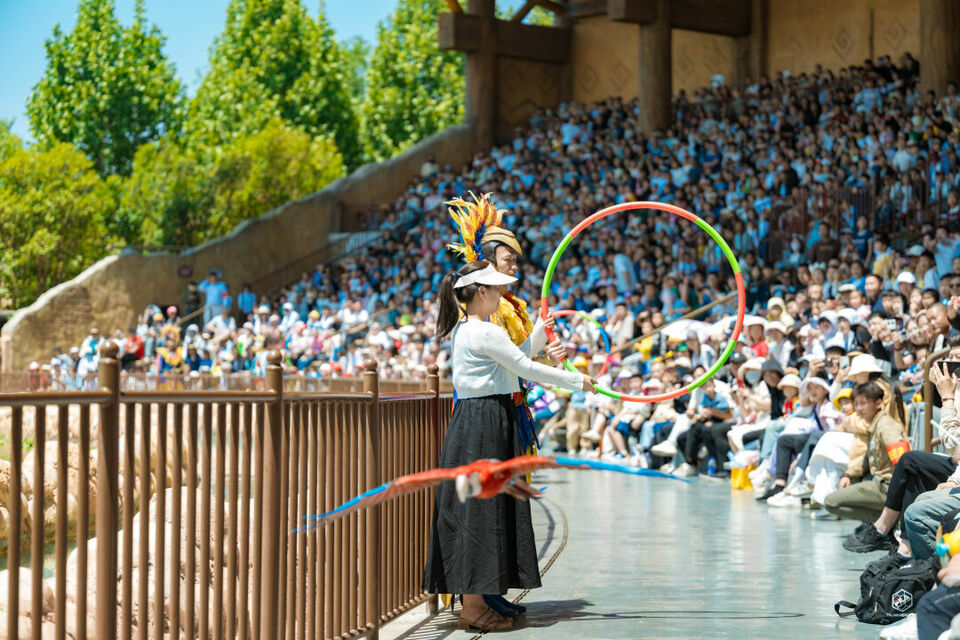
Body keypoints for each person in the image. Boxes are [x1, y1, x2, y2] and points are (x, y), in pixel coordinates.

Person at [422, 261, 593, 632]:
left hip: (476, 420)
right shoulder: (483, 332)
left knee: (480, 509)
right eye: (497, 289)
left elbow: (512, 362)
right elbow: (524, 369)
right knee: (482, 512)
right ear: (481, 293)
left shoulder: (468, 329)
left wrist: (539, 337)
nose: (502, 294)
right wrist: (578, 381)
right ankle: (472, 607)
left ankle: (476, 601)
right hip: (485, 423)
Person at [824, 381, 909, 524]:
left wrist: (898, 497)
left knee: (830, 502)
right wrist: (848, 475)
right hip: (877, 482)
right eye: (856, 404)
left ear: (878, 403)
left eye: (863, 403)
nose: (858, 408)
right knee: (847, 486)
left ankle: (886, 524)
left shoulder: (886, 426)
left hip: (887, 487)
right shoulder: (873, 425)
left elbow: (903, 461)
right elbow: (865, 460)